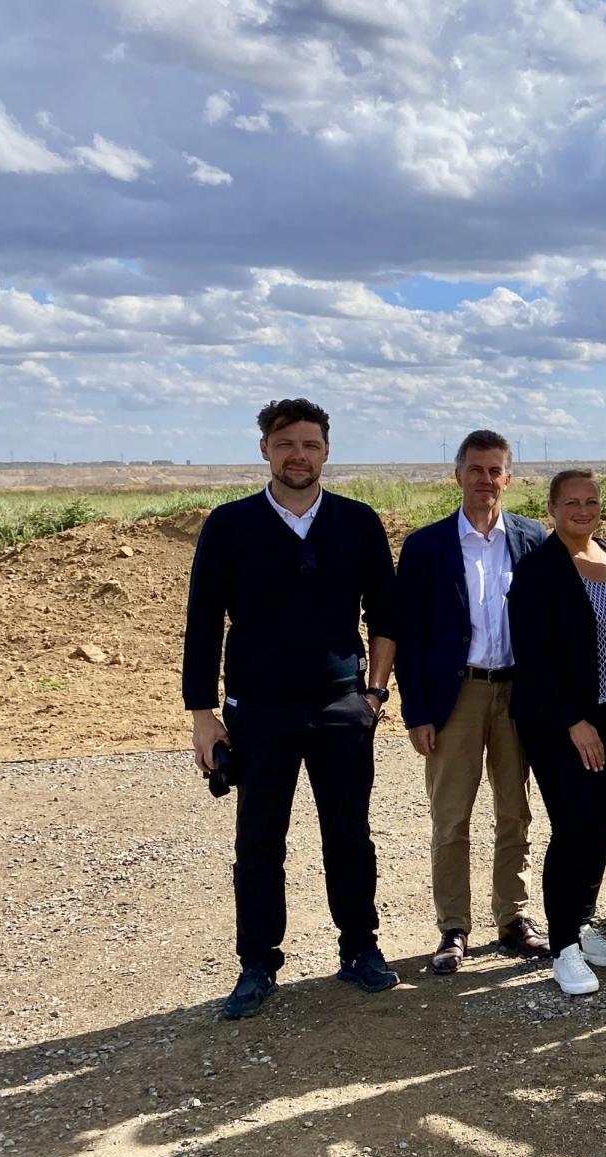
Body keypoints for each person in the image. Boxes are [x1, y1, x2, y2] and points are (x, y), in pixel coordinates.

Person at [182, 398, 399, 1020]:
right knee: (258, 841)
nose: (297, 455)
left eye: (309, 444)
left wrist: (374, 694)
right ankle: (257, 963)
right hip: (259, 709)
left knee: (350, 836)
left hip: (340, 705)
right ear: (265, 451)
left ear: (326, 450)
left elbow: (385, 616)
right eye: (285, 444)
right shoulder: (229, 525)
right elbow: (202, 624)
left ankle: (360, 948)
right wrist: (203, 715)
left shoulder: (358, 523)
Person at [394, 429, 551, 975]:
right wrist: (416, 711)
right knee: (451, 817)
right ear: (457, 474)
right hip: (453, 696)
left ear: (509, 477)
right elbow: (407, 635)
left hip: (516, 693)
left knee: (516, 811)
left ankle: (513, 917)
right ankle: (453, 928)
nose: (486, 480)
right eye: (476, 470)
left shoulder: (532, 539)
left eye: (496, 471)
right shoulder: (425, 547)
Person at [508, 470, 606, 996]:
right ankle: (563, 945)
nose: (584, 510)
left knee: (605, 819)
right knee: (574, 825)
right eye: (572, 502)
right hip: (561, 721)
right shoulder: (537, 570)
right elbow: (534, 658)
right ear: (552, 508)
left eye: (592, 501)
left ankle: (584, 921)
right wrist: (573, 721)